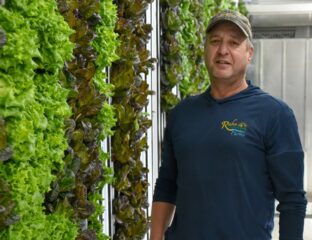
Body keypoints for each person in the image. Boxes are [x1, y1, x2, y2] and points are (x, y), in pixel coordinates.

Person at [151, 9, 307, 240]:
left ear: (249, 53)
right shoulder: (182, 114)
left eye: (234, 43)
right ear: (205, 48)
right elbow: (167, 184)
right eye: (215, 41)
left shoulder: (275, 115)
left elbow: (292, 199)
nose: (223, 50)